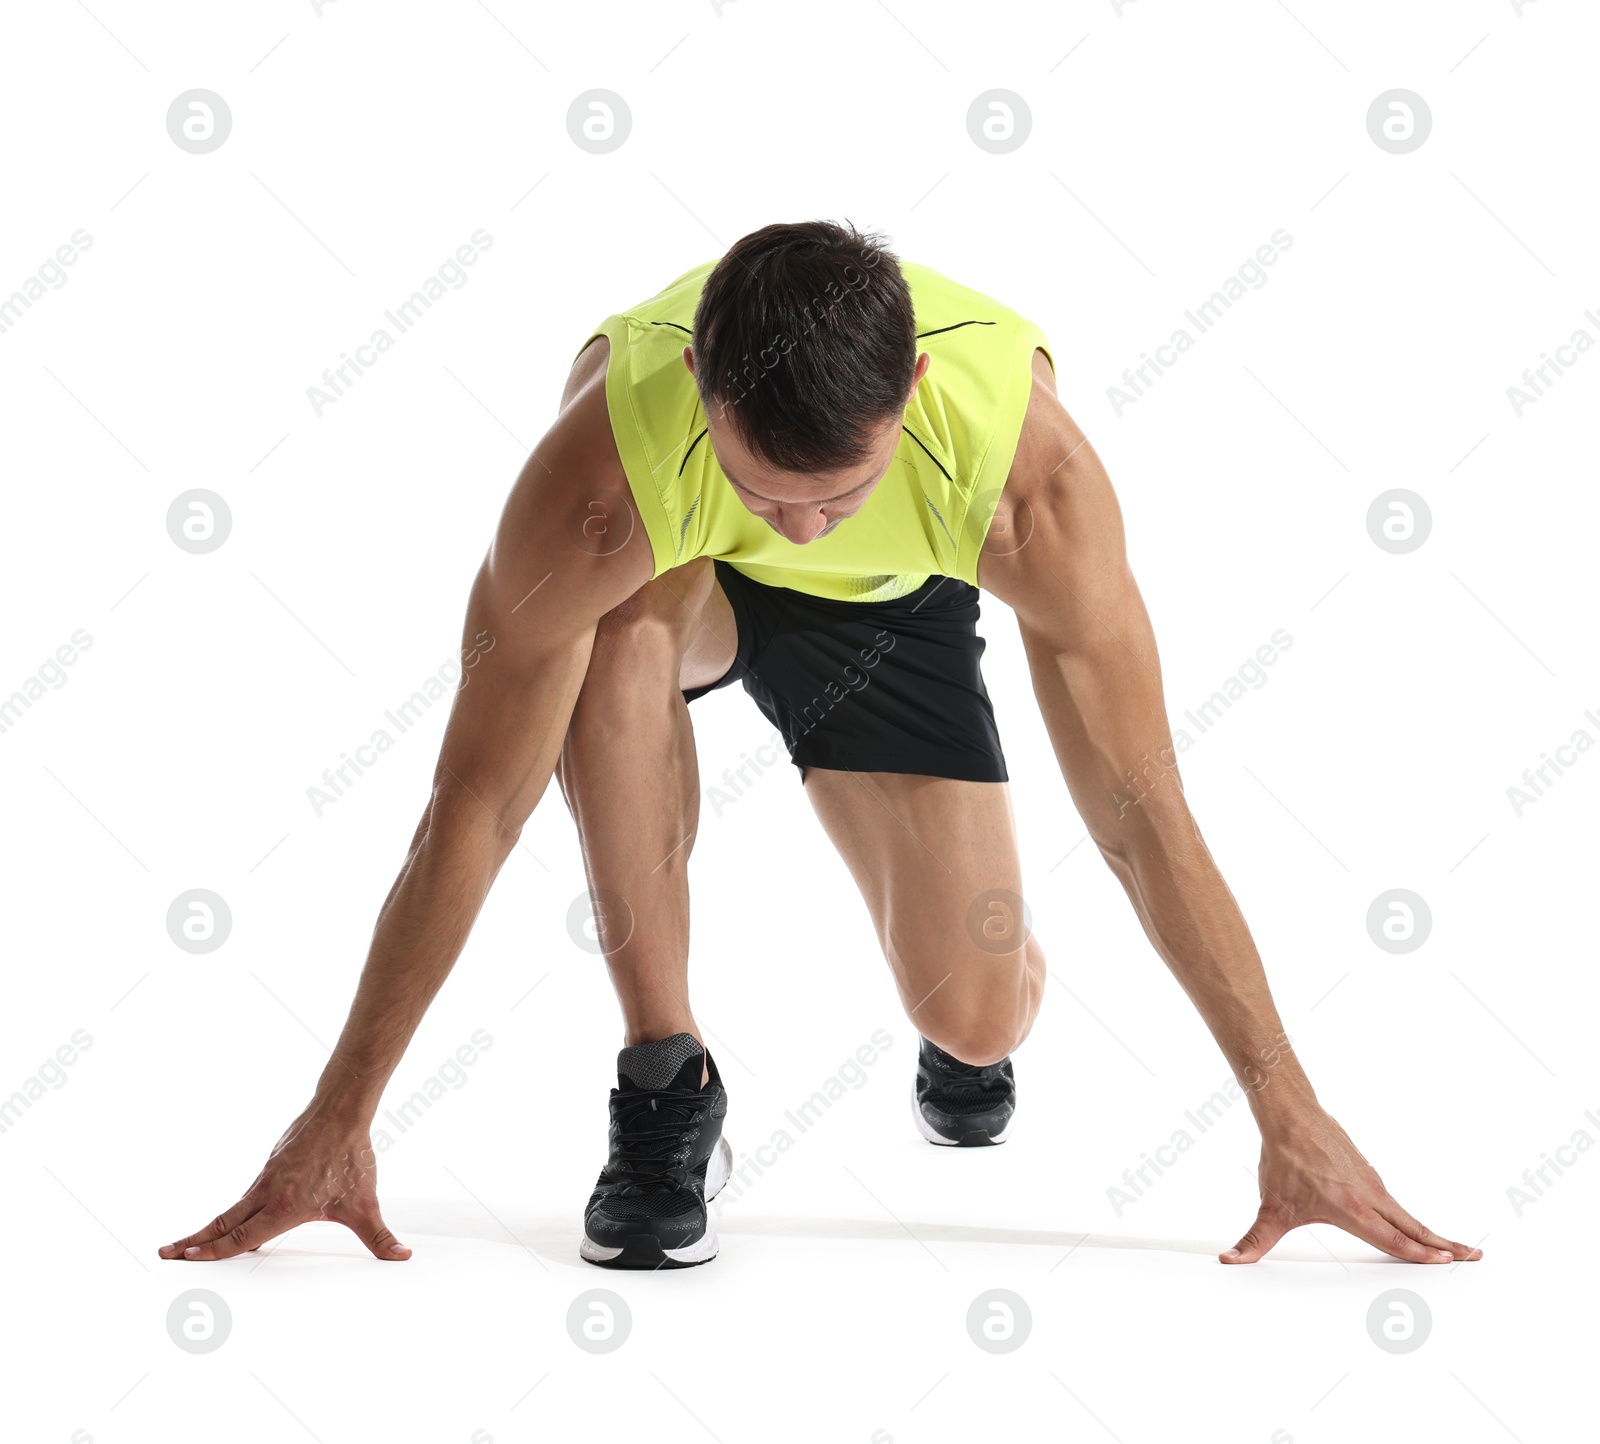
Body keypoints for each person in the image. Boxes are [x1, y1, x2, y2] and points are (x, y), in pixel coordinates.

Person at [159, 220, 1481, 1272]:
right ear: (697, 388)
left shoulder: (1030, 489)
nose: (797, 526)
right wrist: (337, 1117)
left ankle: (971, 1031)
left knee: (973, 1013)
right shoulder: (600, 485)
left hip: (897, 619)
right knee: (615, 637)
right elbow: (474, 804)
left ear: (911, 393)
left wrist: (1289, 1115)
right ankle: (667, 1085)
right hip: (682, 598)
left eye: (835, 493)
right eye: (759, 486)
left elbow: (1143, 813)